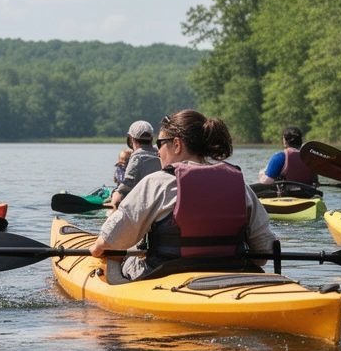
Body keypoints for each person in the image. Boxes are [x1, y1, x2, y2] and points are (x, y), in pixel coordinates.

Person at [90, 110, 277, 280]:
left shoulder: (157, 183)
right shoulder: (240, 185)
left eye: (160, 144)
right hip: (230, 274)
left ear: (177, 144)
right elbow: (262, 254)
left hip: (164, 276)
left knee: (115, 256)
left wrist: (100, 248)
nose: (158, 153)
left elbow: (107, 242)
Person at [109, 120, 161, 207]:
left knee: (116, 194)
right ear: (151, 138)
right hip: (156, 199)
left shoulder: (137, 156)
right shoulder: (159, 153)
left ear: (131, 139)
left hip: (140, 203)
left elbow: (126, 187)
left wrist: (116, 194)